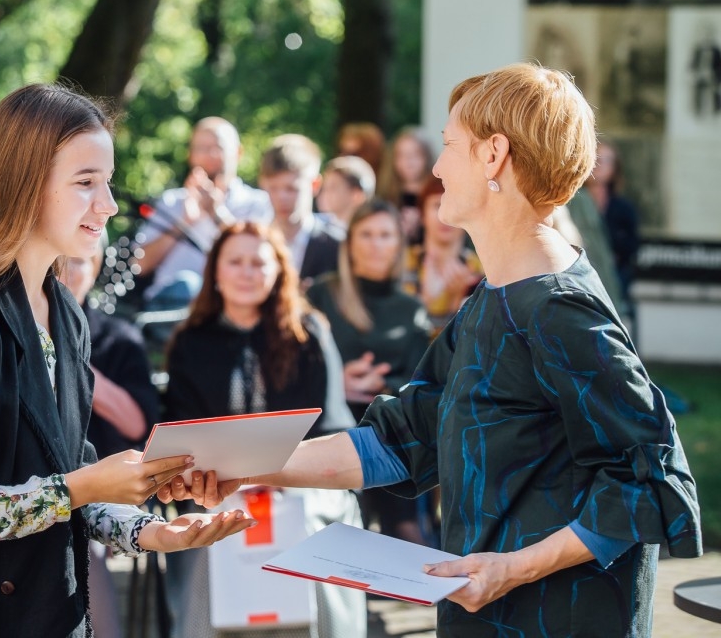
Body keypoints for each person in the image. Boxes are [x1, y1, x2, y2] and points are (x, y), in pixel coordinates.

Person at [168, 64, 702, 637]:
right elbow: (400, 439)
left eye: (450, 146)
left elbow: (648, 478)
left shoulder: (558, 306)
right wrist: (243, 467)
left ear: (493, 155)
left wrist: (513, 569)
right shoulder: (492, 297)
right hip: (482, 609)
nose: (439, 167)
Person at [0, 83, 254, 638]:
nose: (107, 205)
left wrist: (152, 532)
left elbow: (67, 477)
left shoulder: (66, 311)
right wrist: (87, 486)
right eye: (85, 184)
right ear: (23, 185)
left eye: (106, 183)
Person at [161, 221, 363, 638]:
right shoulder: (190, 342)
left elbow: (331, 424)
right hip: (215, 488)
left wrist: (283, 475)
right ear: (216, 272)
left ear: (278, 271)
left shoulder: (307, 334)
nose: (247, 272)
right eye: (235, 262)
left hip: (304, 483)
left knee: (313, 527)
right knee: (202, 537)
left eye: (258, 262)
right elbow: (181, 431)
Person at [305, 199, 433, 545]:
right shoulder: (321, 294)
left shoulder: (411, 308)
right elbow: (299, 361)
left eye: (385, 235)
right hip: (329, 423)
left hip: (390, 426)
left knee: (409, 532)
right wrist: (338, 379)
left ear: (399, 244)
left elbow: (422, 375)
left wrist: (382, 383)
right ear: (350, 242)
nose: (376, 244)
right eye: (367, 234)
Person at [57, 236, 162, 638]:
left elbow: (138, 425)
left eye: (78, 263)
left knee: (82, 550)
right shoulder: (9, 334)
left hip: (107, 485)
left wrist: (70, 363)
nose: (66, 274)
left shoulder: (117, 338)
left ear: (97, 265)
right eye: (57, 262)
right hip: (40, 485)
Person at [137, 116, 273, 311]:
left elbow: (256, 258)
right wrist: (184, 222)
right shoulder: (172, 201)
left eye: (218, 147)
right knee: (186, 284)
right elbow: (140, 265)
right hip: (167, 308)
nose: (210, 155)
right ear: (190, 155)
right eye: (200, 148)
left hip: (229, 306)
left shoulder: (257, 203)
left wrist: (216, 214)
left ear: (238, 153)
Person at [258, 134, 345, 289]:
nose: (281, 197)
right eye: (273, 188)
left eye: (292, 188)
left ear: (315, 185)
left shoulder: (337, 245)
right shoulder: (254, 242)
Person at [401, 177, 484, 338]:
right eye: (437, 205)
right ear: (422, 214)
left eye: (454, 206)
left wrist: (458, 300)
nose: (445, 214)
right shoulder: (400, 262)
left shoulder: (480, 271)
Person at [585, 139, 640, 302]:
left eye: (606, 160)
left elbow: (632, 245)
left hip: (613, 276)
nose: (599, 164)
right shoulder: (571, 202)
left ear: (615, 168)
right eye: (596, 158)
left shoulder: (624, 208)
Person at [377, 127, 436, 247]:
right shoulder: (385, 197)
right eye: (401, 155)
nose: (408, 162)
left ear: (426, 157)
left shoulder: (438, 195)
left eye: (415, 154)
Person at [315, 155, 376, 227]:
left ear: (357, 196)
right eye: (324, 187)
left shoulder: (371, 233)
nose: (324, 193)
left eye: (333, 187)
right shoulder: (313, 229)